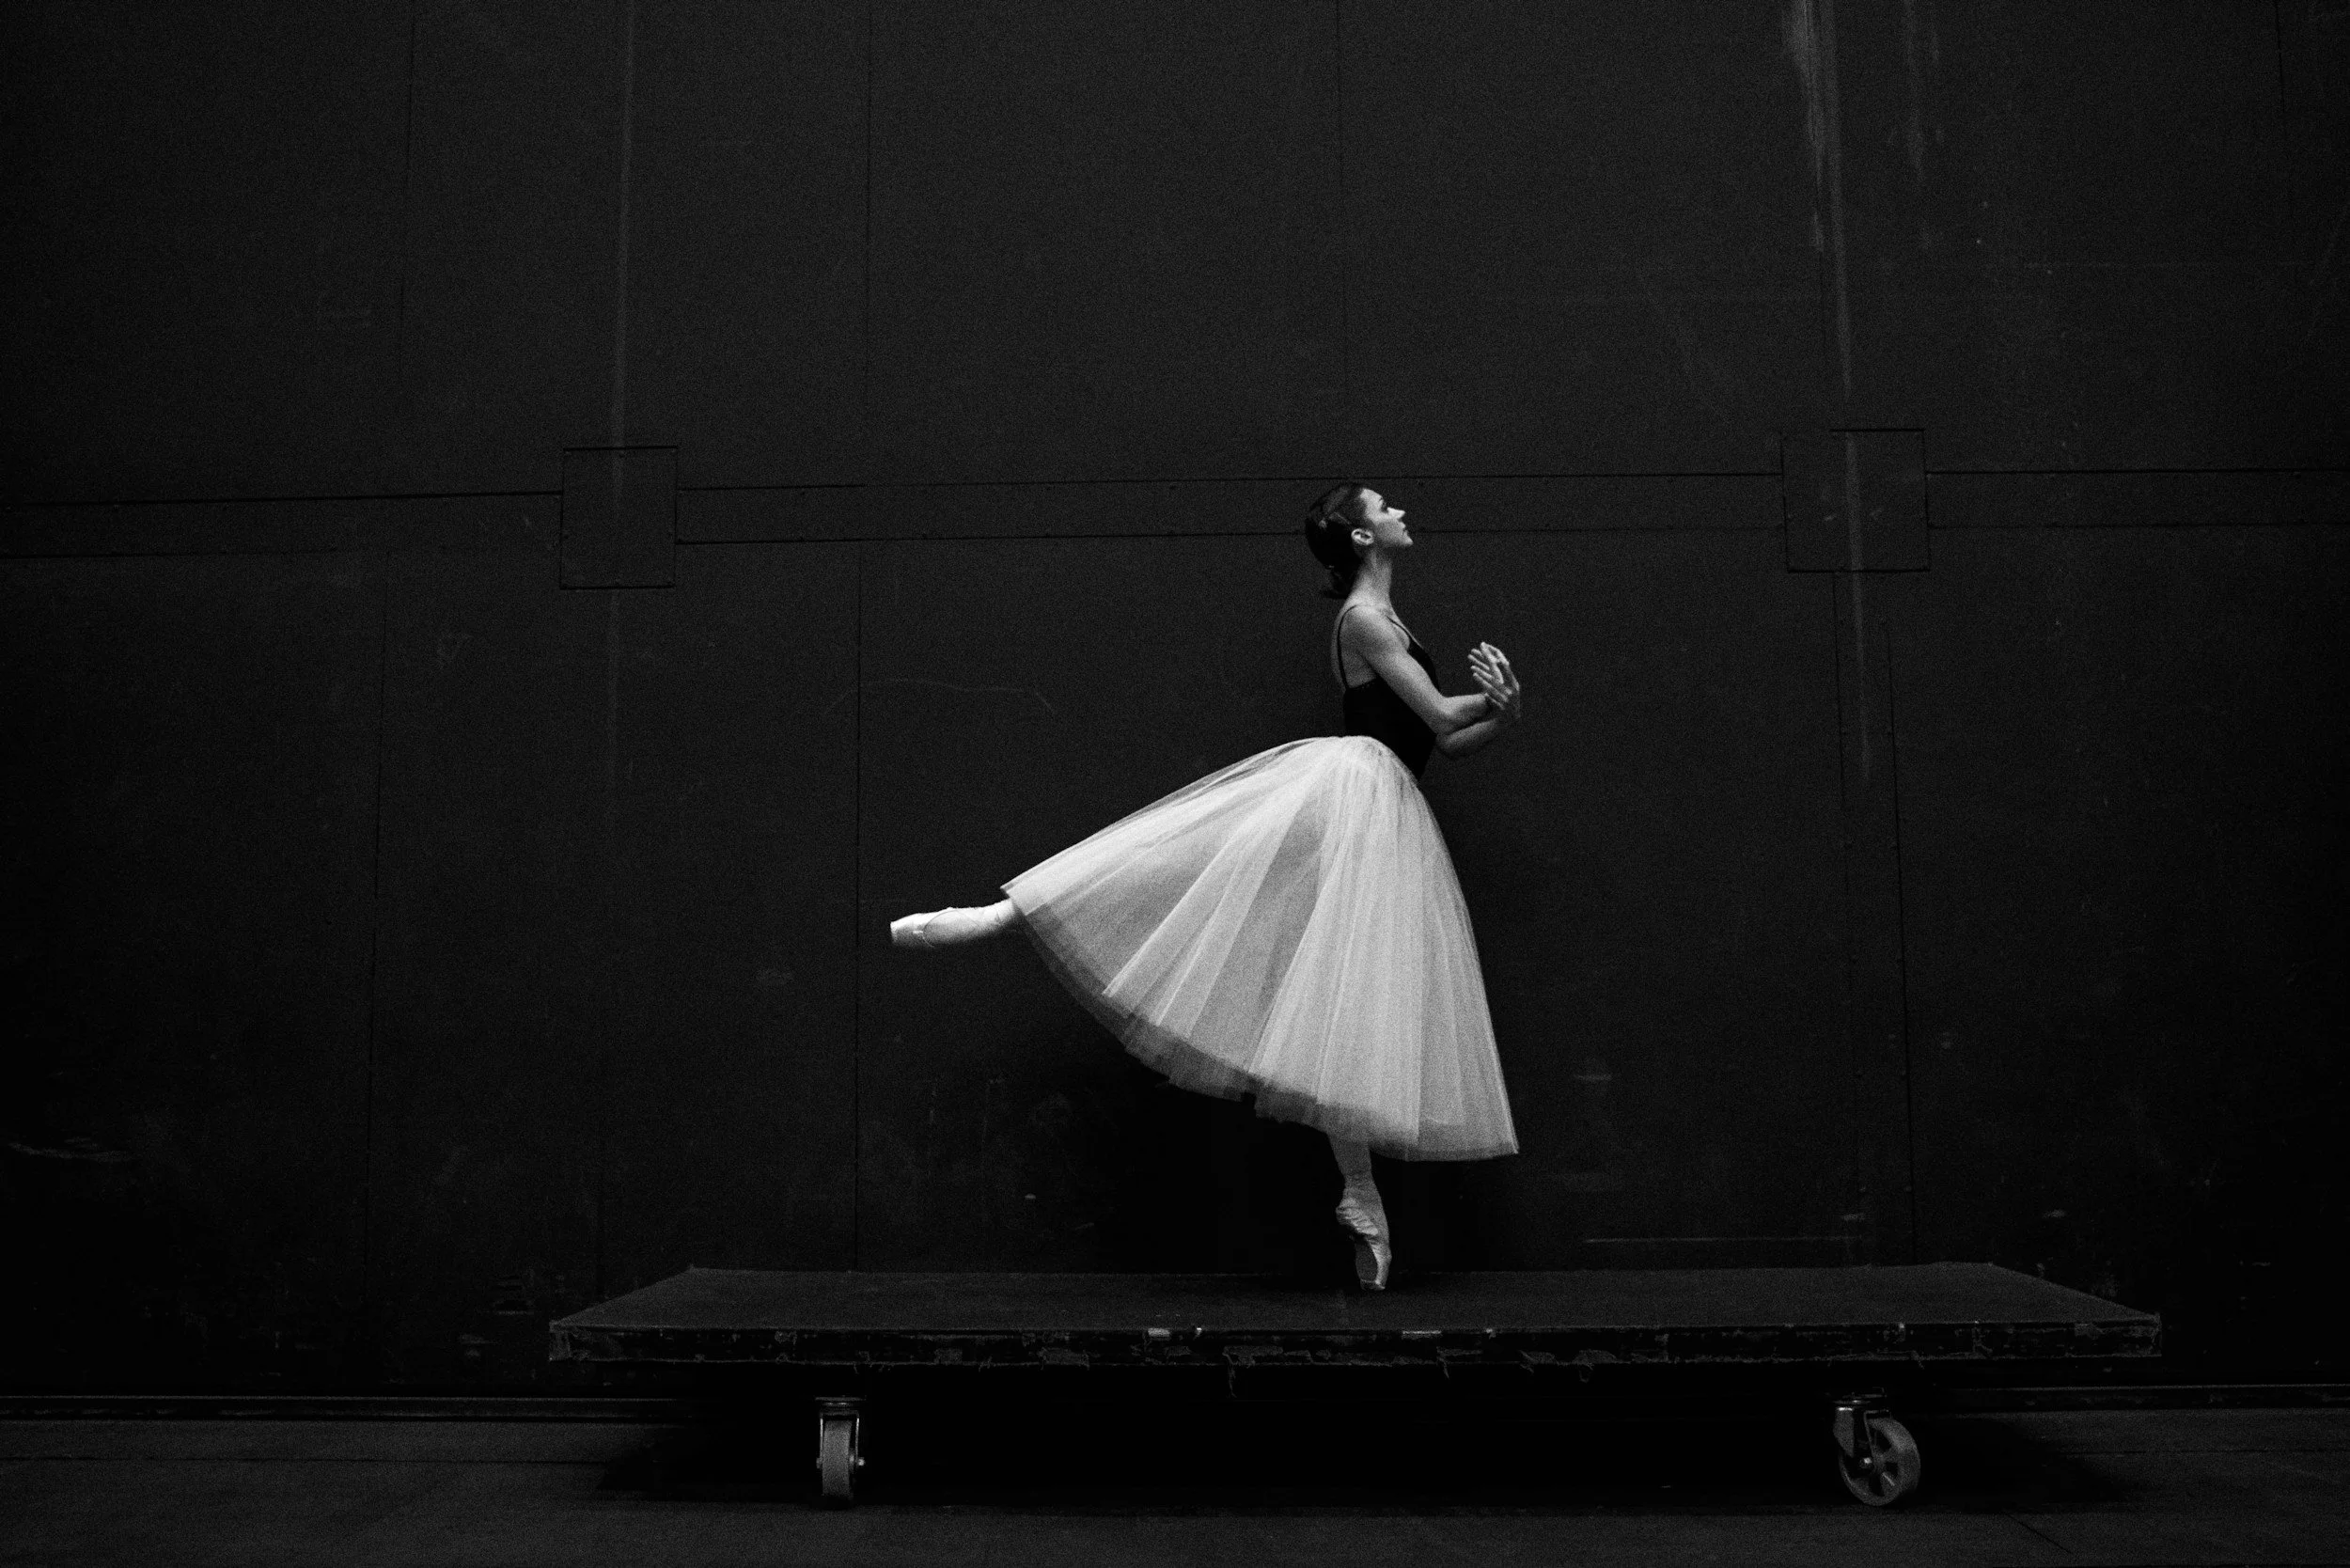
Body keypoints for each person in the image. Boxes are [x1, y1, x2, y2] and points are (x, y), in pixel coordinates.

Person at [889, 484, 1524, 1289]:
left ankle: (1361, 1197)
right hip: (1351, 793)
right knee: (1194, 860)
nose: (1402, 509)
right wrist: (1489, 698)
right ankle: (1003, 914)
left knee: (1346, 994)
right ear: (1364, 536)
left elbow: (1451, 745)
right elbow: (1436, 713)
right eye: (1385, 505)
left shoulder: (1392, 620)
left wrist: (1504, 716)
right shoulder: (1363, 620)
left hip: (1388, 802)